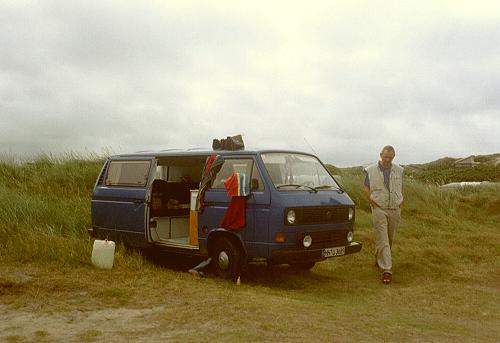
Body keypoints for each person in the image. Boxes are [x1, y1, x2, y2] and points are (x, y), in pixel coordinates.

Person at [364, 145, 403, 284]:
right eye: (385, 157)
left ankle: (378, 258)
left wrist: (399, 203)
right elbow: (366, 188)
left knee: (389, 238)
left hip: (394, 208)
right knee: (383, 239)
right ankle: (387, 270)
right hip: (379, 208)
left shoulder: (399, 170)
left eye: (390, 157)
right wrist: (373, 204)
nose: (387, 160)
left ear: (394, 157)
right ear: (380, 155)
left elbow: (400, 188)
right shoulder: (370, 170)